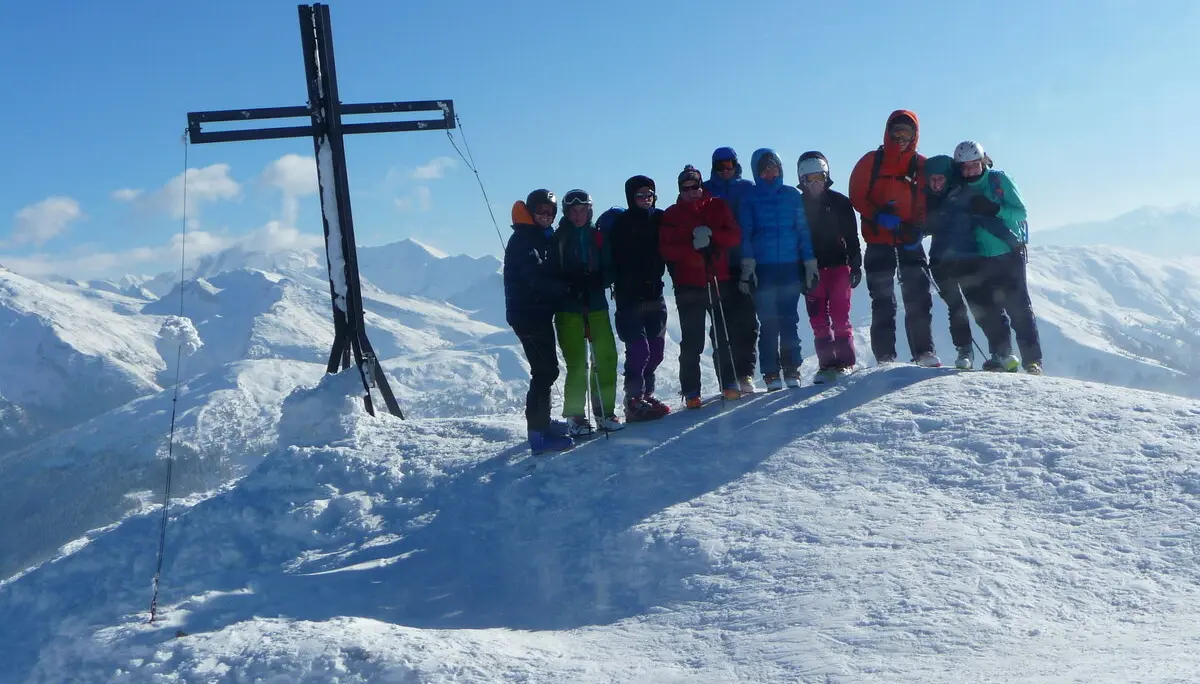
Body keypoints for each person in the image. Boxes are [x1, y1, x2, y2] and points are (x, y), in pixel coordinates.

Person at [848, 109, 940, 367]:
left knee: (918, 296)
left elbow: (930, 197)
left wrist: (920, 227)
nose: (901, 138)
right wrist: (877, 214)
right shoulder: (871, 161)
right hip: (878, 240)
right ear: (888, 133)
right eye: (896, 132)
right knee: (882, 300)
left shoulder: (921, 165)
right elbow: (856, 195)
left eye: (906, 134)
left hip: (909, 239)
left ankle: (924, 352)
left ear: (914, 136)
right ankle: (885, 356)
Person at [951, 141, 1043, 374]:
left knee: (1019, 308)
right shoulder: (959, 189)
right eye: (965, 167)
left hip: (1008, 253)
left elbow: (1021, 212)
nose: (970, 170)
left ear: (983, 162)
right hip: (979, 257)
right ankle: (1001, 356)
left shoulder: (999, 181)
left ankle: (1032, 361)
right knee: (989, 310)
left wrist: (995, 209)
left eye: (974, 164)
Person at [659, 165, 744, 407]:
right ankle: (691, 391)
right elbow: (666, 250)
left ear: (701, 185)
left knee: (722, 335)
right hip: (688, 284)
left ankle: (729, 382)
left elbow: (734, 236)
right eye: (685, 188)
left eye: (694, 186)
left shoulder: (718, 206)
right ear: (680, 190)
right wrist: (692, 245)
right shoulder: (672, 214)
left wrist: (712, 235)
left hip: (717, 278)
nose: (691, 192)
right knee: (692, 340)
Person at [737, 148, 817, 390]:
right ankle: (771, 372)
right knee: (769, 323)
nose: (770, 173)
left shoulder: (791, 195)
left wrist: (809, 262)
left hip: (790, 267)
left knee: (789, 321)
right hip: (763, 268)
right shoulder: (750, 198)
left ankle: (792, 369)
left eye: (774, 168)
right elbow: (745, 234)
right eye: (765, 170)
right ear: (757, 172)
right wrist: (748, 267)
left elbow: (802, 230)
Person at [503, 190, 573, 454]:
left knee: (546, 370)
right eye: (541, 211)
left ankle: (542, 423)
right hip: (529, 316)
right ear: (531, 212)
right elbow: (536, 278)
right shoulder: (524, 239)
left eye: (550, 212)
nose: (546, 216)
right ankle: (538, 434)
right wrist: (568, 288)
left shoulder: (536, 236)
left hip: (535, 314)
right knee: (544, 372)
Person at [552, 189, 623, 435]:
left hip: (596, 306)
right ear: (566, 212)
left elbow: (611, 267)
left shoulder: (598, 236)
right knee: (577, 364)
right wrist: (568, 284)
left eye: (583, 210)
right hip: (568, 309)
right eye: (574, 210)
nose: (579, 215)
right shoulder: (558, 238)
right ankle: (576, 416)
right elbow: (550, 272)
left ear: (590, 211)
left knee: (605, 358)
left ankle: (604, 412)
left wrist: (598, 280)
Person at [608, 176, 672, 422]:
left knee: (656, 351)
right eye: (640, 195)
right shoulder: (620, 225)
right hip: (629, 296)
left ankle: (645, 395)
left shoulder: (661, 219)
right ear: (630, 198)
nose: (646, 199)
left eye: (649, 195)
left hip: (655, 293)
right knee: (639, 350)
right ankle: (633, 400)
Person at [796, 151, 862, 383]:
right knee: (818, 320)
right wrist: (799, 272)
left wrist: (856, 264)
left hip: (839, 267)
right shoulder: (797, 206)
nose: (815, 184)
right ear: (802, 180)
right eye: (810, 179)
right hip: (811, 270)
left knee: (840, 316)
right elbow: (794, 240)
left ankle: (845, 362)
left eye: (819, 178)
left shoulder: (840, 203)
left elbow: (852, 237)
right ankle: (826, 365)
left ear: (827, 177)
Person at [702, 147, 759, 393]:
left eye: (729, 165)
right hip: (716, 266)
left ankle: (745, 374)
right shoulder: (704, 190)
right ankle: (727, 379)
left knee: (747, 322)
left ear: (736, 165)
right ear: (713, 167)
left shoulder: (747, 188)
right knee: (721, 325)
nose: (725, 170)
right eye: (720, 166)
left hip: (745, 262)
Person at [924, 154, 982, 370]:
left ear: (948, 177)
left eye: (940, 178)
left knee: (979, 304)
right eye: (932, 179)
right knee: (956, 308)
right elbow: (927, 225)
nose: (936, 183)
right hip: (940, 261)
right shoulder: (928, 198)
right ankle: (964, 350)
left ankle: (1000, 350)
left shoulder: (962, 193)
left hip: (967, 258)